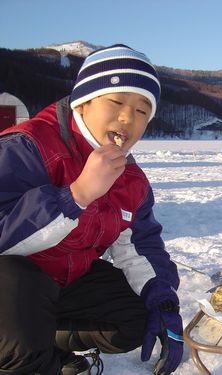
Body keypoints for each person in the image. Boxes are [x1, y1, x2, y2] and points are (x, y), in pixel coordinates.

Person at [0, 44, 184, 375]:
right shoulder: (28, 147)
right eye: (116, 102)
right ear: (82, 103)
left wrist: (163, 298)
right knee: (19, 302)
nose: (128, 118)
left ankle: (49, 344)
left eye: (143, 111)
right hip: (10, 287)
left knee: (138, 315)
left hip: (61, 283)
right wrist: (76, 195)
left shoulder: (130, 180)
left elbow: (140, 244)